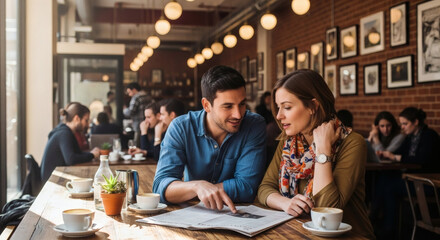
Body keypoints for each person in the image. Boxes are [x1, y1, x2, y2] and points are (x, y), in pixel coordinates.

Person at [257, 69, 374, 239]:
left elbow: (326, 209)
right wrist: (286, 203)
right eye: (278, 107)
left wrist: (323, 150)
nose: (279, 115)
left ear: (312, 106)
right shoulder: (289, 143)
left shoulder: (352, 142)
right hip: (298, 232)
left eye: (287, 107)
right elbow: (265, 188)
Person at [153, 65, 266, 213]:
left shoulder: (254, 125)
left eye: (242, 104)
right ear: (207, 105)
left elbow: (247, 187)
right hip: (193, 216)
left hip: (239, 216)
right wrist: (197, 186)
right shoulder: (181, 127)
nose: (238, 114)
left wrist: (203, 190)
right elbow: (161, 187)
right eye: (228, 106)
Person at [40, 102, 100, 183]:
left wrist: (91, 153)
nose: (87, 124)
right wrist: (92, 155)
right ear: (76, 118)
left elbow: (77, 153)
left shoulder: (66, 131)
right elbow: (71, 159)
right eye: (86, 120)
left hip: (57, 177)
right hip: (53, 182)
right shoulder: (64, 134)